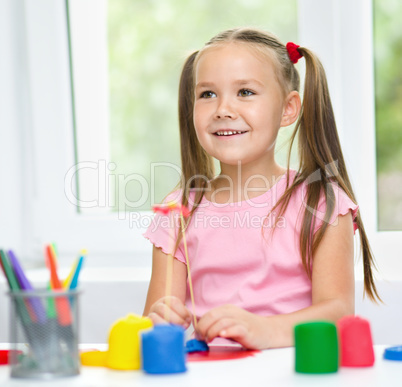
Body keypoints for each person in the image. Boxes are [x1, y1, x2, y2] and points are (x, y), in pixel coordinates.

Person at [142, 27, 380, 350]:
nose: (223, 109)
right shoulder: (177, 211)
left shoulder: (321, 201)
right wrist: (157, 321)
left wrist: (263, 330)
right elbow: (152, 327)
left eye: (245, 92)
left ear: (288, 109)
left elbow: (338, 314)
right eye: (207, 94)